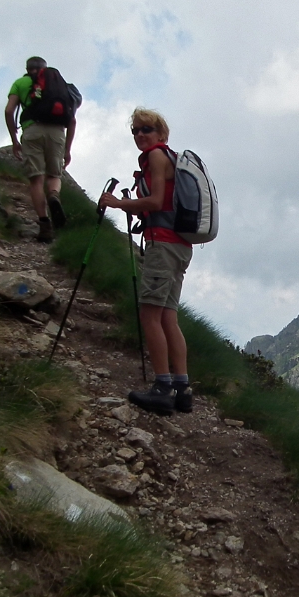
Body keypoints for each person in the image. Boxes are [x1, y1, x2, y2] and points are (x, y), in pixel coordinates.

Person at [99, 109, 193, 415]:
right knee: (168, 317)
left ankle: (161, 388)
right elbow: (160, 204)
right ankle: (182, 389)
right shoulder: (173, 158)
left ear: (161, 133)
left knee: (150, 315)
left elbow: (154, 202)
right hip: (179, 246)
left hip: (163, 245)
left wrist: (118, 203)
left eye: (147, 129)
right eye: (136, 131)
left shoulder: (156, 156)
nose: (141, 135)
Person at [5, 56, 77, 242]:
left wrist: (14, 140)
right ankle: (54, 195)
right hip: (57, 132)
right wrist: (67, 150)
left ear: (27, 68)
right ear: (45, 69)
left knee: (36, 180)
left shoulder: (21, 83)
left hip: (32, 131)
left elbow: (8, 111)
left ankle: (45, 226)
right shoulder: (58, 84)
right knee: (54, 176)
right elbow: (72, 120)